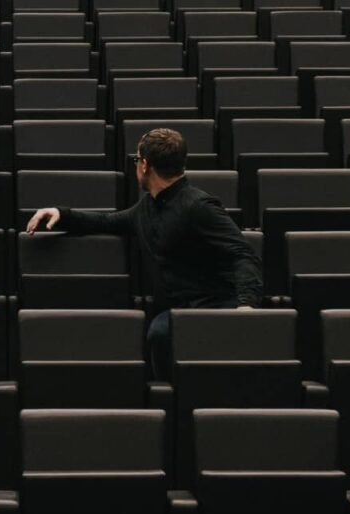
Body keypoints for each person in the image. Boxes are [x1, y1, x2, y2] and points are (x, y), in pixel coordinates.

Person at [25, 128, 263, 379]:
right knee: (159, 334)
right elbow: (107, 221)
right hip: (179, 312)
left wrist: (246, 306)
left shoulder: (198, 206)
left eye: (137, 160)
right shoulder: (147, 207)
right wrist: (62, 214)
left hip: (217, 309)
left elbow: (242, 253)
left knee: (161, 334)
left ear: (145, 165)